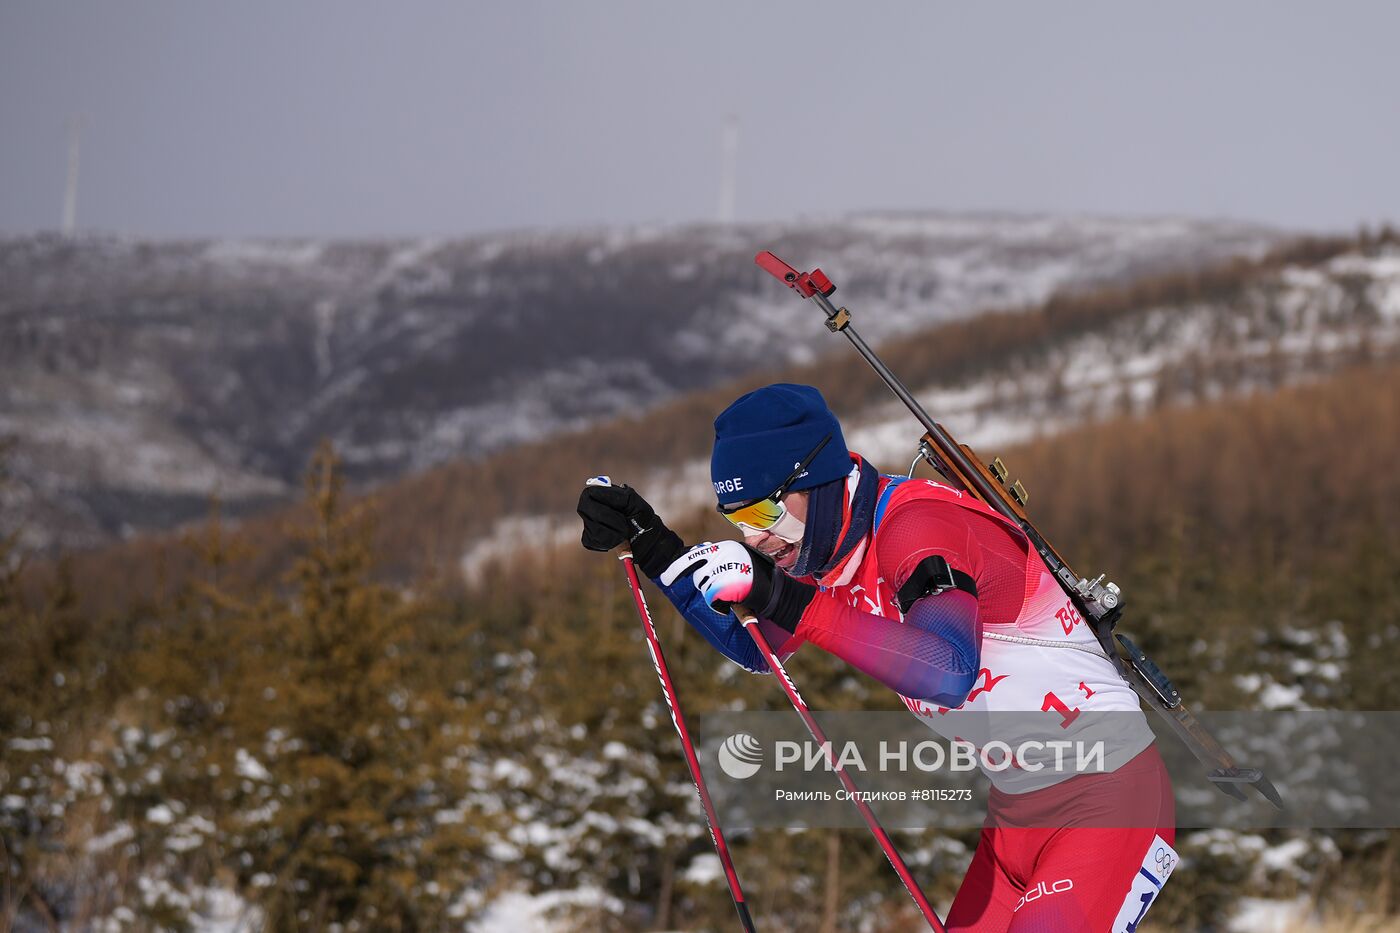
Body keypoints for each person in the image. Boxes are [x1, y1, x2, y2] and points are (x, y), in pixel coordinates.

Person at [578, 383, 1176, 932]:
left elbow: (948, 669)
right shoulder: (827, 550)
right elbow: (754, 645)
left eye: (765, 513)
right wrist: (654, 545)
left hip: (1109, 798)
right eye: (739, 521)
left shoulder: (917, 527)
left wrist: (783, 597)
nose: (756, 539)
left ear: (817, 482)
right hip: (1017, 816)